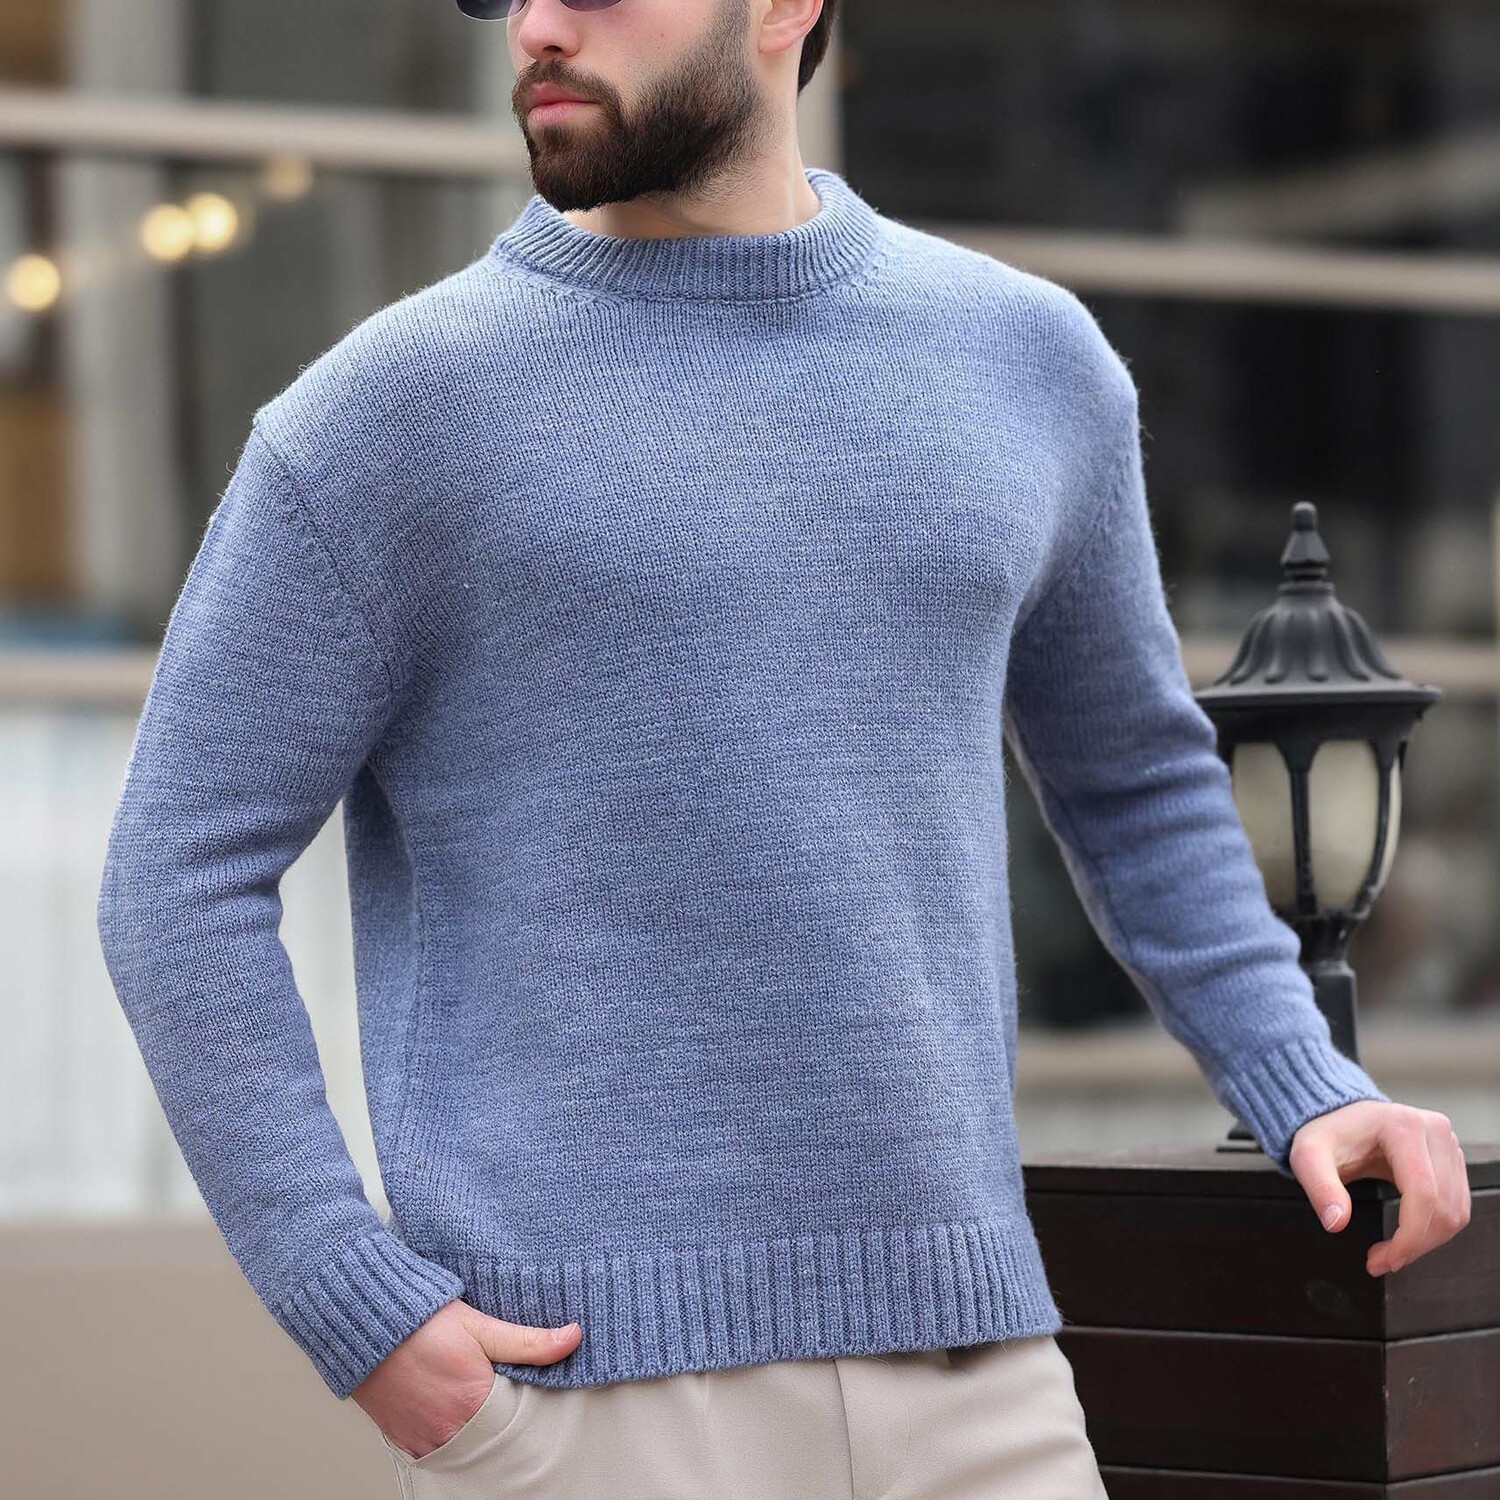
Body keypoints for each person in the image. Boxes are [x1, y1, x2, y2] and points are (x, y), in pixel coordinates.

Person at [95, 0, 1472, 1495]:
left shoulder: (1027, 361)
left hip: (982, 1378)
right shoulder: (387, 417)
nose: (538, 26)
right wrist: (353, 1302)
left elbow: (1136, 786)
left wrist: (1303, 1077)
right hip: (585, 1403)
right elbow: (176, 872)